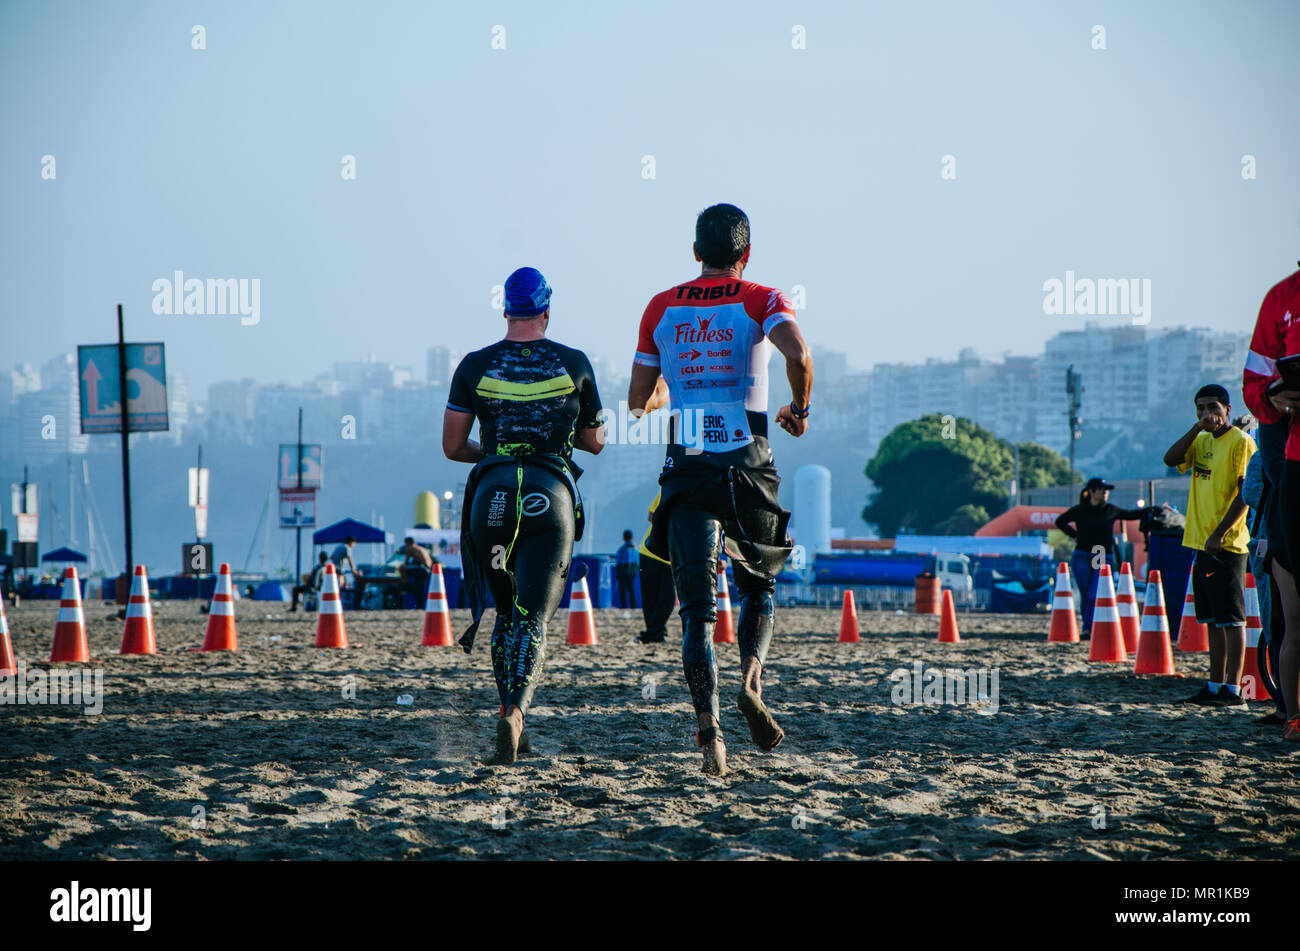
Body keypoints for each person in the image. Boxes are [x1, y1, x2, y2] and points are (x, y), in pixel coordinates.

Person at [627, 203, 810, 776]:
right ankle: (751, 683)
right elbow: (799, 356)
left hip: (688, 467)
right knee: (760, 585)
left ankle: (711, 738)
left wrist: (664, 393)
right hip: (749, 464)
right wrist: (799, 409)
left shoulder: (660, 306)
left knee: (697, 616)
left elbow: (639, 399)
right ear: (746, 254)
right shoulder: (764, 298)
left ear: (695, 252)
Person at [442, 266, 605, 765]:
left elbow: (452, 446)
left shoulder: (474, 365)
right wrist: (552, 439)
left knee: (506, 613)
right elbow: (595, 442)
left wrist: (494, 454)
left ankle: (511, 714)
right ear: (547, 310)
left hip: (491, 497)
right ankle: (515, 713)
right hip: (549, 495)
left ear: (505, 309)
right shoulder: (574, 363)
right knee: (533, 619)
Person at [1163, 384, 1256, 707]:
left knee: (1232, 619)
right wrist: (1195, 428)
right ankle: (1214, 685)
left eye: (1213, 407)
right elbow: (1171, 458)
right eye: (1201, 408)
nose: (1207, 414)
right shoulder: (1200, 439)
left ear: (1228, 410)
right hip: (1200, 544)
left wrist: (1219, 533)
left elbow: (1246, 494)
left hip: (1227, 545)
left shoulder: (1241, 443)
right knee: (1212, 621)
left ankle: (1233, 689)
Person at [1242, 265, 1300, 738]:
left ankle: (1287, 708)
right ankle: (1288, 709)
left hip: (1267, 530)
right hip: (1270, 532)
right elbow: (1255, 388)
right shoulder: (1281, 299)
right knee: (1282, 621)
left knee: (1284, 622)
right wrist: (1278, 398)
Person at [1054, 478, 1148, 636]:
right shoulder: (1080, 510)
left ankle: (1091, 627)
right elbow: (1060, 521)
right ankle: (1087, 627)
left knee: (1094, 593)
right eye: (1102, 489)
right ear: (1091, 492)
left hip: (1102, 555)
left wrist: (1151, 509)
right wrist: (1075, 535)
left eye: (1106, 490)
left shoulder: (1110, 510)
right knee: (1086, 594)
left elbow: (1131, 514)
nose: (1105, 493)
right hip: (1082, 555)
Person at [636, 491, 677, 644]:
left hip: (670, 558)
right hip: (649, 552)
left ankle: (654, 632)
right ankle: (655, 633)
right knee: (650, 598)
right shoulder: (667, 490)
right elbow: (651, 516)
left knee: (667, 597)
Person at [399, 536, 434, 607]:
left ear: (407, 543)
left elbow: (406, 562)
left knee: (401, 568)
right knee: (419, 587)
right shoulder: (421, 548)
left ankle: (405, 586)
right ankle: (419, 603)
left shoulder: (410, 547)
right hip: (427, 570)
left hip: (421, 569)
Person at [615, 530, 639, 608]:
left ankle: (624, 606)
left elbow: (618, 560)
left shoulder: (622, 549)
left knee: (622, 590)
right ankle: (633, 606)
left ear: (623, 538)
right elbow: (638, 560)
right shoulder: (635, 548)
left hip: (623, 571)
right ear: (631, 537)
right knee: (631, 589)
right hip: (632, 571)